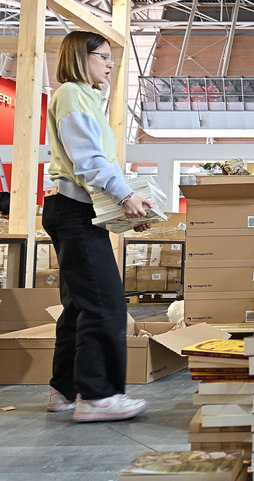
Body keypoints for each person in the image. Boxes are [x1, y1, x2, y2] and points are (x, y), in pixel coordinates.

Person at [43, 31, 152, 423]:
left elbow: (91, 169)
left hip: (75, 210)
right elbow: (88, 160)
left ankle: (65, 388)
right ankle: (98, 395)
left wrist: (127, 212)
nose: (109, 64)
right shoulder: (72, 94)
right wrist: (124, 196)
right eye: (104, 56)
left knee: (78, 305)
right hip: (72, 212)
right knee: (105, 303)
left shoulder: (86, 98)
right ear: (80, 56)